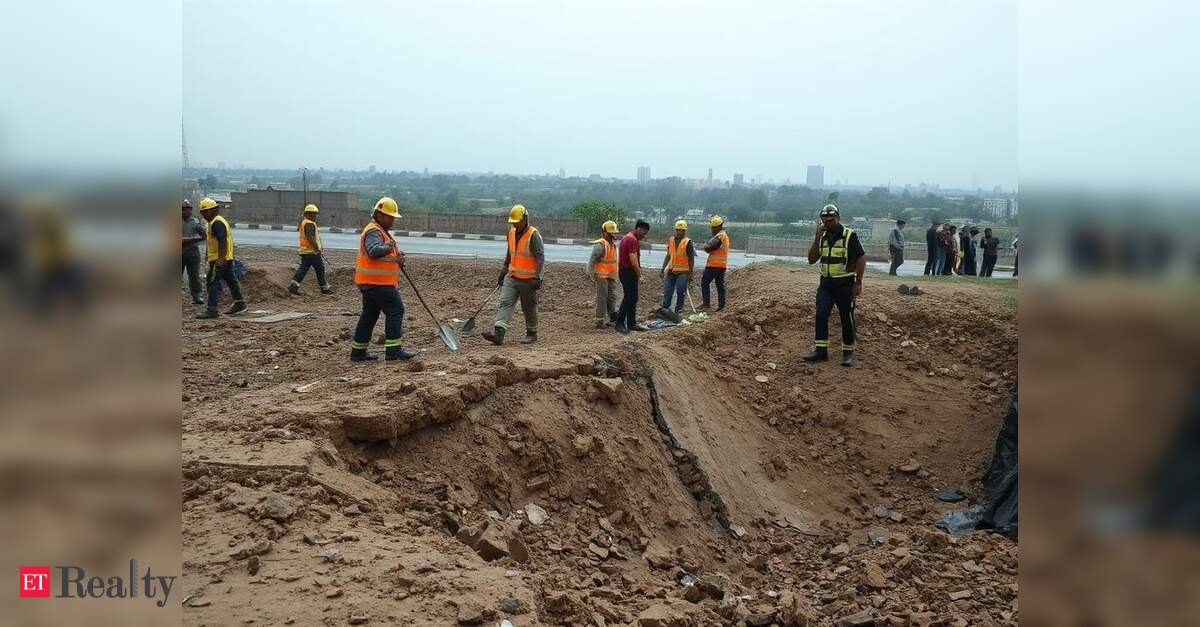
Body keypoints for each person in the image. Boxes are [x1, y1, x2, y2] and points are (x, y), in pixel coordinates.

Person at [350, 197, 416, 361]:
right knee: (396, 310)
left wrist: (397, 259)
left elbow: (383, 257)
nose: (392, 220)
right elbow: (373, 251)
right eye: (390, 216)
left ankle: (358, 352)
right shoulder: (374, 230)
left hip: (372, 283)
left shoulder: (379, 230)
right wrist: (390, 247)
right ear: (380, 215)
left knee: (369, 315)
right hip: (378, 283)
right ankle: (393, 350)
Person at [801, 204, 865, 367]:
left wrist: (858, 282)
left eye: (831, 219)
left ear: (838, 218)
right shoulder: (822, 236)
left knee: (846, 317)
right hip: (826, 284)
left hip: (845, 283)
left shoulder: (849, 235)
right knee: (821, 315)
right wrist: (816, 239)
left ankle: (848, 351)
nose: (828, 223)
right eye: (825, 220)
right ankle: (821, 351)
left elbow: (861, 258)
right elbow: (811, 259)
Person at [482, 204, 544, 345]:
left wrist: (537, 276)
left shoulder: (533, 235)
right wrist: (504, 271)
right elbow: (510, 253)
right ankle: (498, 334)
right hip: (512, 276)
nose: (515, 225)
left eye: (517, 222)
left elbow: (540, 257)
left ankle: (532, 333)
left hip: (528, 279)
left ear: (525, 219)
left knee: (528, 307)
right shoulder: (511, 232)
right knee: (505, 303)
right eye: (513, 223)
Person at [196, 197, 247, 319]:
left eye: (206, 211)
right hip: (225, 258)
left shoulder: (216, 222)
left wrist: (220, 259)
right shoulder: (214, 222)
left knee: (212, 282)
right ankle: (240, 303)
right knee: (231, 280)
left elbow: (222, 240)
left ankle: (212, 310)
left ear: (215, 210)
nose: (204, 214)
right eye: (202, 212)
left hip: (220, 260)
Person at [614, 219, 651, 333]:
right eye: (643, 233)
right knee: (629, 298)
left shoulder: (628, 238)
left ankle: (631, 323)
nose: (644, 236)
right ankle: (619, 323)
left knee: (633, 298)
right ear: (639, 229)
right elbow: (633, 261)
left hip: (626, 271)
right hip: (628, 271)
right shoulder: (632, 240)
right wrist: (640, 275)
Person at [289, 204, 333, 296]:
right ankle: (324, 288)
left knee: (304, 268)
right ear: (308, 214)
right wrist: (317, 248)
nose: (316, 216)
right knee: (320, 268)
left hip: (306, 251)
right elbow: (310, 237)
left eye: (316, 214)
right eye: (314, 214)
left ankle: (294, 286)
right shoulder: (309, 223)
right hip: (311, 252)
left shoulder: (305, 222)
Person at [587, 220, 620, 328]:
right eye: (610, 233)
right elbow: (592, 260)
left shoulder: (612, 245)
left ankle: (613, 316)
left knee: (611, 297)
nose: (612, 236)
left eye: (613, 233)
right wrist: (590, 273)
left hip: (611, 275)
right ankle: (599, 321)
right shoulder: (600, 244)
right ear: (604, 232)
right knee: (602, 297)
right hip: (601, 275)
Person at [659, 219, 694, 317]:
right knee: (668, 290)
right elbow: (668, 255)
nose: (680, 232)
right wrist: (662, 269)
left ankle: (678, 310)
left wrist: (690, 273)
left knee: (680, 290)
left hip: (683, 272)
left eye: (682, 230)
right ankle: (665, 308)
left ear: (684, 231)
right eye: (678, 230)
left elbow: (691, 258)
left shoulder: (688, 242)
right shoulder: (671, 240)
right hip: (671, 270)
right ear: (676, 230)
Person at [699, 215, 730, 310]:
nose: (712, 230)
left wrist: (705, 247)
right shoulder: (724, 235)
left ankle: (706, 304)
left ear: (718, 227)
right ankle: (721, 305)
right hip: (722, 265)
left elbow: (713, 246)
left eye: (713, 228)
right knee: (719, 285)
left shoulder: (720, 235)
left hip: (714, 265)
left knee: (704, 283)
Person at [181, 199, 206, 304]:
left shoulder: (195, 222)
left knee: (194, 276)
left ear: (191, 210)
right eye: (184, 209)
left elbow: (204, 235)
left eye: (188, 209)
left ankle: (197, 296)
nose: (186, 211)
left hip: (193, 253)